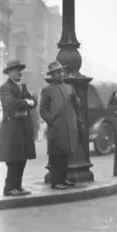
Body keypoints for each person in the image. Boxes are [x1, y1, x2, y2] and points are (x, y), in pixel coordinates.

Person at [0, 59, 37, 196]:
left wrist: (30, 101)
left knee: (22, 158)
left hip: (23, 128)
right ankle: (9, 188)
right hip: (12, 129)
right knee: (13, 160)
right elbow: (9, 103)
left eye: (20, 69)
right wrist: (26, 101)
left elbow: (33, 101)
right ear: (9, 73)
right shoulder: (5, 87)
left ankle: (18, 187)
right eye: (16, 70)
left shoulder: (22, 86)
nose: (19, 72)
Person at [39, 61, 80, 190]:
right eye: (57, 72)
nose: (60, 74)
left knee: (66, 154)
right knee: (56, 155)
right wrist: (53, 121)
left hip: (69, 126)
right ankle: (56, 181)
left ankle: (63, 179)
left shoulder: (69, 87)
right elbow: (43, 110)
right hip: (57, 128)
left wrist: (75, 100)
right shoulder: (47, 90)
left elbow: (77, 104)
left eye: (61, 71)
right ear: (52, 75)